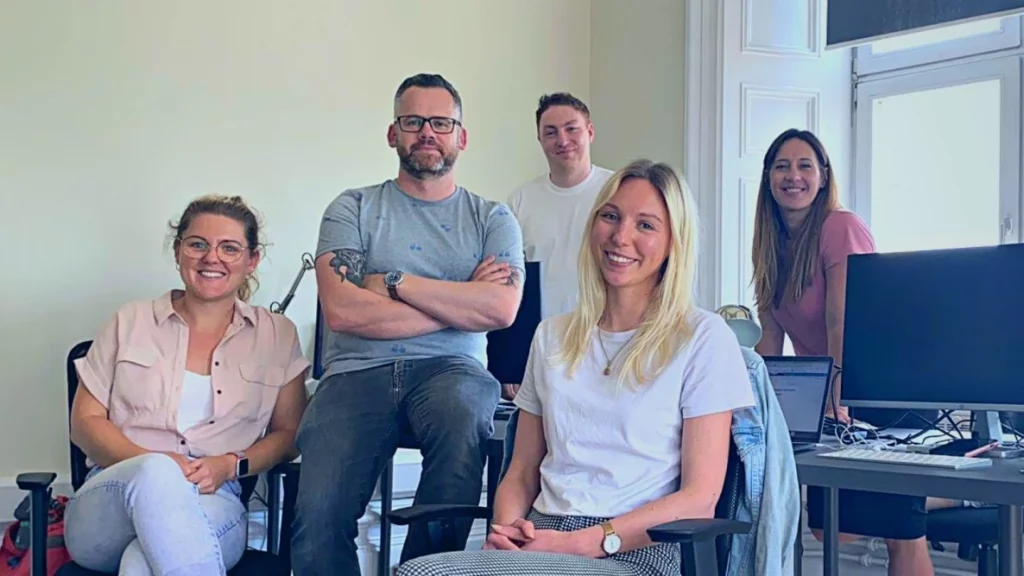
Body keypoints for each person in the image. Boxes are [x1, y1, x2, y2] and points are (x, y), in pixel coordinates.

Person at [396, 159, 755, 576]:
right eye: (611, 216)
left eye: (646, 225)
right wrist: (508, 530)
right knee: (420, 572)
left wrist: (583, 543)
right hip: (543, 537)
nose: (621, 236)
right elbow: (523, 469)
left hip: (636, 548)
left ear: (675, 242)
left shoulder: (703, 338)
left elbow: (699, 498)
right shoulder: (552, 336)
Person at [292, 73, 525, 575]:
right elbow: (343, 312)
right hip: (354, 374)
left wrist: (393, 281)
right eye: (413, 121)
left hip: (453, 372)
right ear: (392, 133)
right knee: (317, 519)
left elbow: (500, 312)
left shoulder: (492, 218)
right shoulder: (351, 207)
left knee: (465, 418)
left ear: (461, 136)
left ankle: (425, 571)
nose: (427, 132)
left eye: (441, 122)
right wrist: (459, 299)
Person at [63, 195, 310, 575]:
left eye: (230, 248)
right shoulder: (128, 321)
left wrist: (230, 465)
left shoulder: (276, 334)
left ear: (252, 260)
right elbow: (85, 422)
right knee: (155, 473)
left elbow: (290, 434)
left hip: (214, 499)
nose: (212, 258)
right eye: (198, 244)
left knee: (141, 563)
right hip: (110, 501)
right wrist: (155, 465)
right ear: (179, 251)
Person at [750, 128, 933, 576]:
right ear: (768, 178)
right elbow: (769, 344)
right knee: (832, 527)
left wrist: (838, 405)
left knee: (897, 528)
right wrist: (754, 409)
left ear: (823, 175)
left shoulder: (840, 227)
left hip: (883, 393)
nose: (793, 176)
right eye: (782, 166)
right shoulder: (771, 245)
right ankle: (931, 489)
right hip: (834, 397)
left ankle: (936, 489)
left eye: (804, 165)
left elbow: (843, 326)